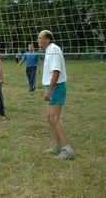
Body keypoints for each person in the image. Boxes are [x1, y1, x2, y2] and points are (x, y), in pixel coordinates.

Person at [37, 30, 74, 160]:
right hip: (52, 87)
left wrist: (49, 90)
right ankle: (57, 146)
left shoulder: (54, 49)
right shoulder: (49, 50)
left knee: (55, 118)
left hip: (56, 87)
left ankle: (67, 150)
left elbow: (56, 71)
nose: (38, 40)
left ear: (47, 38)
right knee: (50, 118)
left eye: (39, 38)